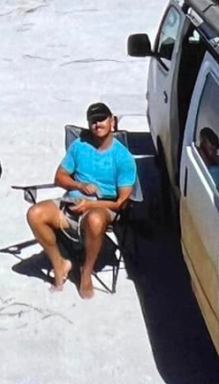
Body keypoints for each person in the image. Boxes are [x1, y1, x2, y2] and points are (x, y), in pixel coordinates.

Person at [25, 102, 136, 300]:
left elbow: (120, 203)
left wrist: (91, 204)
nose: (97, 124)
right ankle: (59, 264)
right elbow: (59, 178)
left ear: (112, 121)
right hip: (71, 201)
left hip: (103, 206)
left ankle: (86, 271)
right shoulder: (79, 145)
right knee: (35, 214)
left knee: (94, 220)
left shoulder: (124, 158)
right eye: (93, 120)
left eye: (102, 119)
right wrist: (79, 186)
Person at [198, 127, 219, 196]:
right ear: (203, 142)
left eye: (216, 147)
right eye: (212, 145)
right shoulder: (198, 156)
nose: (215, 150)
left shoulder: (218, 162)